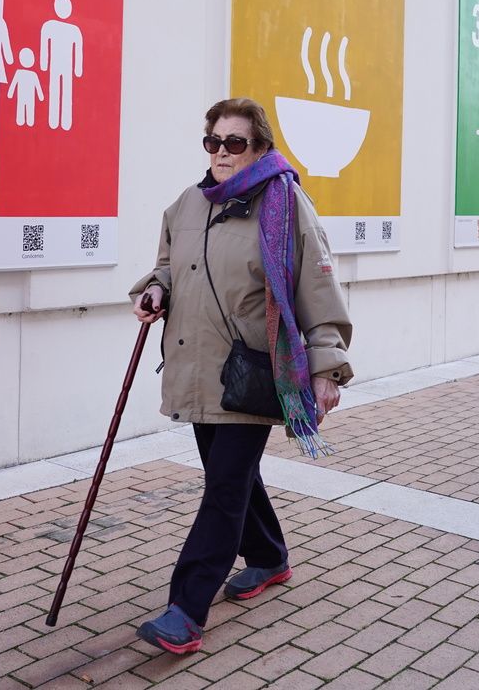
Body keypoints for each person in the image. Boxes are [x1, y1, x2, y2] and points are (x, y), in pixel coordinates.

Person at [129, 97, 353, 655]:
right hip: (195, 367)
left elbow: (318, 291)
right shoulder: (188, 204)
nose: (222, 154)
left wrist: (327, 368)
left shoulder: (286, 204)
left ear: (260, 148)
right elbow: (167, 265)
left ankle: (185, 609)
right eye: (214, 142)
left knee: (223, 488)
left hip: (253, 372)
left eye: (235, 143)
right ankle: (270, 557)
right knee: (233, 476)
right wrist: (155, 290)